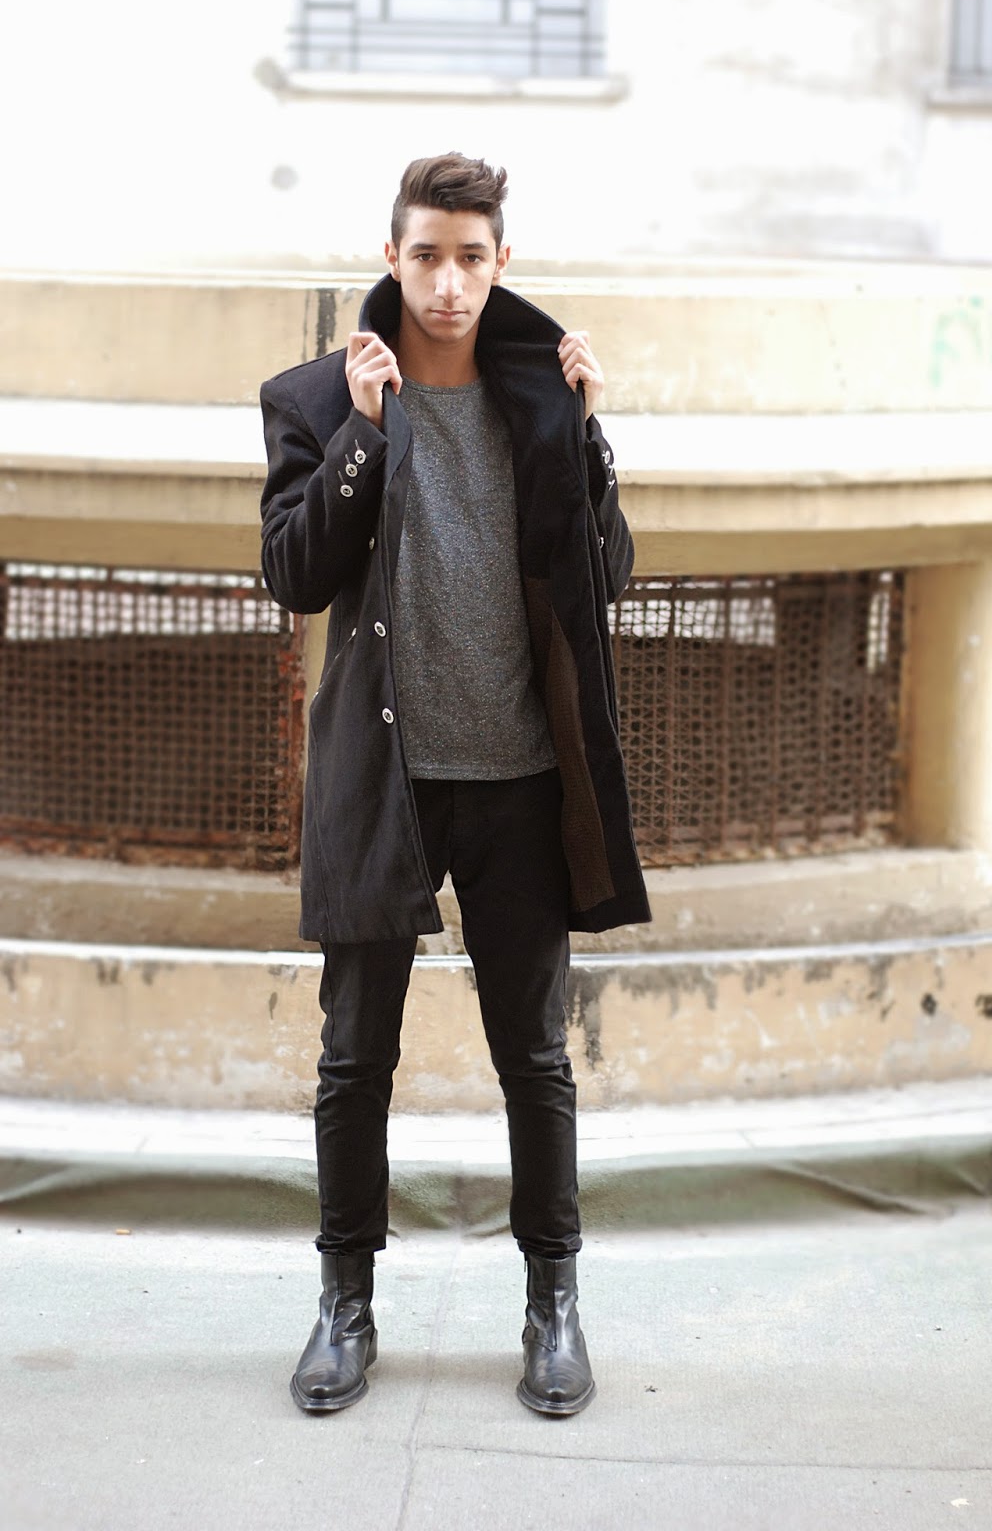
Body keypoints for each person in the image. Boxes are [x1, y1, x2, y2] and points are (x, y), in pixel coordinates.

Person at [259, 152, 650, 1419]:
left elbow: (607, 576)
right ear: (392, 257)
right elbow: (293, 573)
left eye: (470, 258)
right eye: (426, 255)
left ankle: (553, 1302)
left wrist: (587, 438)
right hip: (386, 777)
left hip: (520, 780)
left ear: (499, 262)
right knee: (352, 1058)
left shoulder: (541, 395)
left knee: (534, 1057)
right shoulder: (317, 399)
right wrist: (365, 438)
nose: (447, 282)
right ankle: (344, 1303)